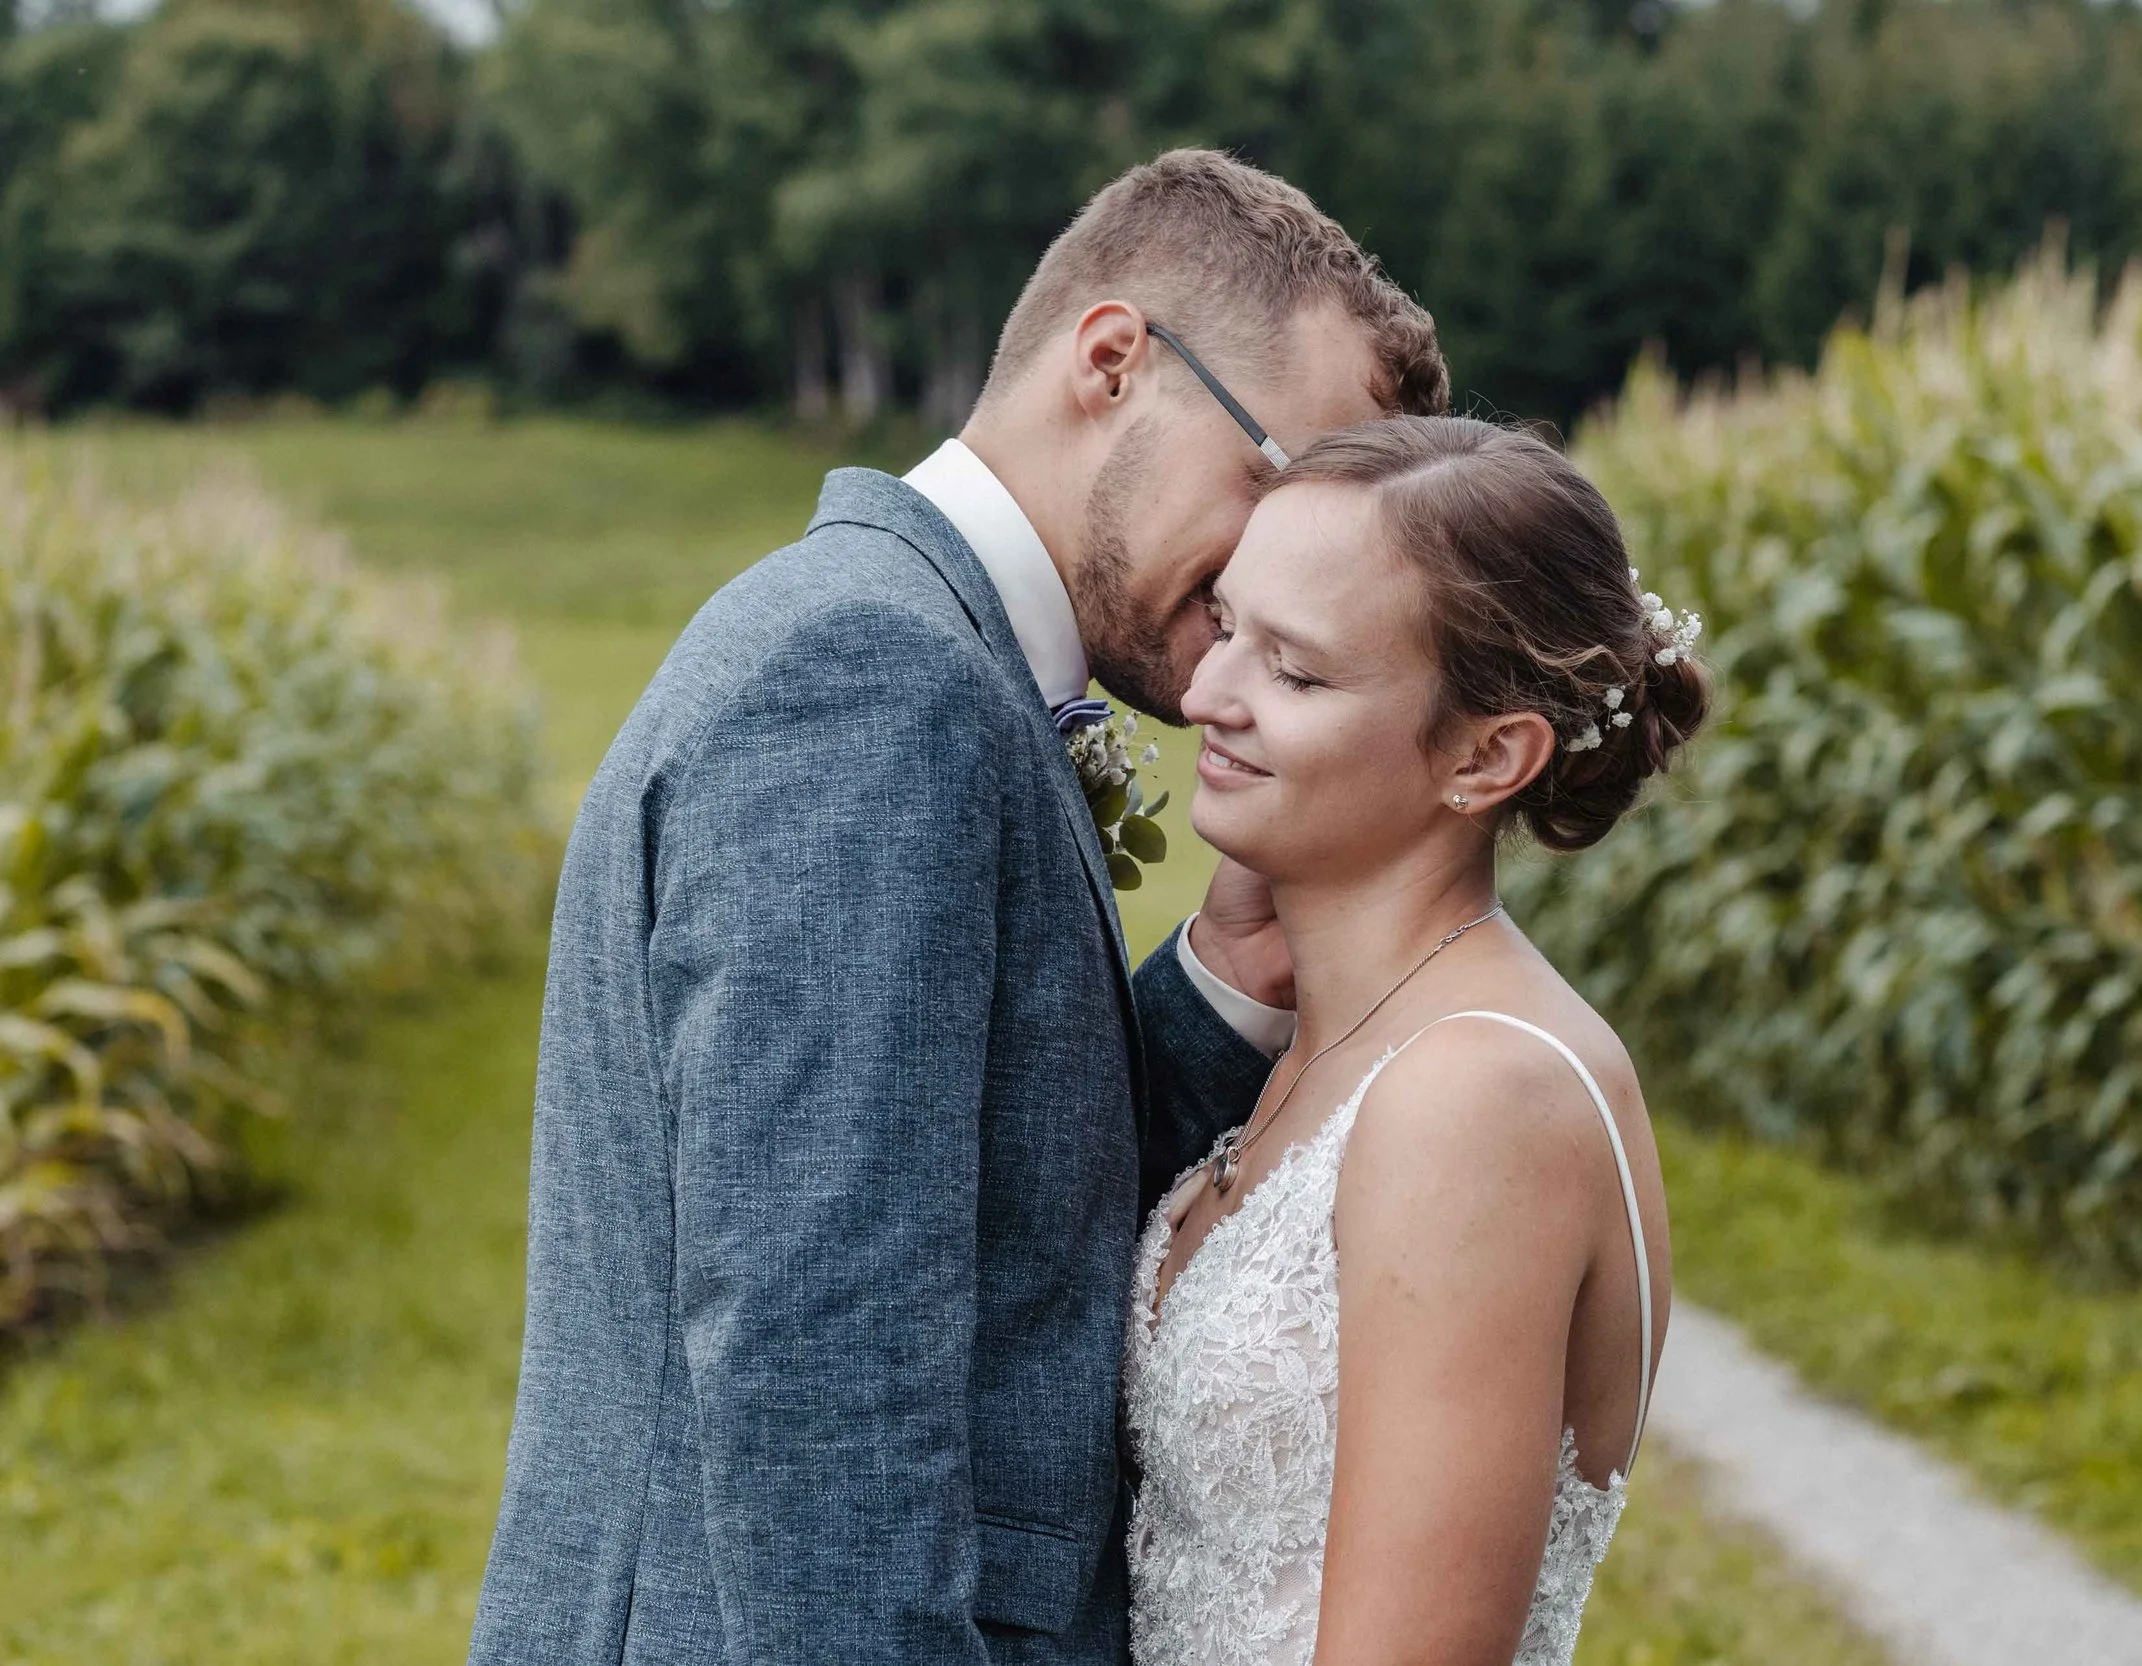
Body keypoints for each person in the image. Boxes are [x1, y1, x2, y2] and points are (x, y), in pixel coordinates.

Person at [467, 150, 1446, 1666]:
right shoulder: (873, 678)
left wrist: (1225, 973)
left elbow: (993, 1202)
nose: (1285, 568)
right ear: (1112, 359)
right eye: (1278, 479)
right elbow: (824, 1378)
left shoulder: (929, 656)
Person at [1124, 415, 1708, 1666]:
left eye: (1295, 671)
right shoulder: (1329, 1047)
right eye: (1228, 626)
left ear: (1486, 755)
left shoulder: (1480, 1093)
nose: (1203, 694)